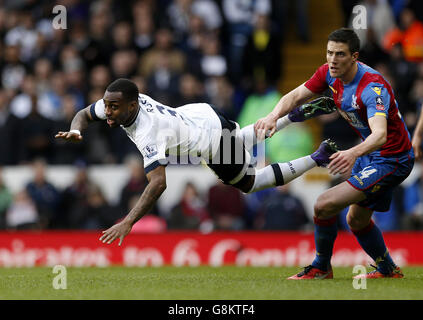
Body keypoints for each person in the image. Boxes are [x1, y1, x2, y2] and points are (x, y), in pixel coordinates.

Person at [55, 78, 338, 246]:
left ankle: (317, 157)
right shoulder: (124, 100)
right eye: (106, 106)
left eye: (113, 107)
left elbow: (158, 184)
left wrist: (128, 222)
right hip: (205, 114)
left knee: (249, 183)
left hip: (211, 142)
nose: (107, 111)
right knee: (239, 140)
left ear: (132, 106)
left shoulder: (146, 132)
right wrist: (77, 129)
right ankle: (294, 115)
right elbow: (84, 113)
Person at [254, 28, 415, 279]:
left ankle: (321, 267)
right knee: (356, 221)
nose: (332, 60)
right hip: (372, 154)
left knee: (324, 205)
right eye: (329, 53)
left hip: (392, 159)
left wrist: (352, 153)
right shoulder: (329, 74)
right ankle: (388, 270)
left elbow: (380, 134)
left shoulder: (372, 88)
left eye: (340, 54)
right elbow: (296, 95)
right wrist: (273, 116)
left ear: (354, 57)